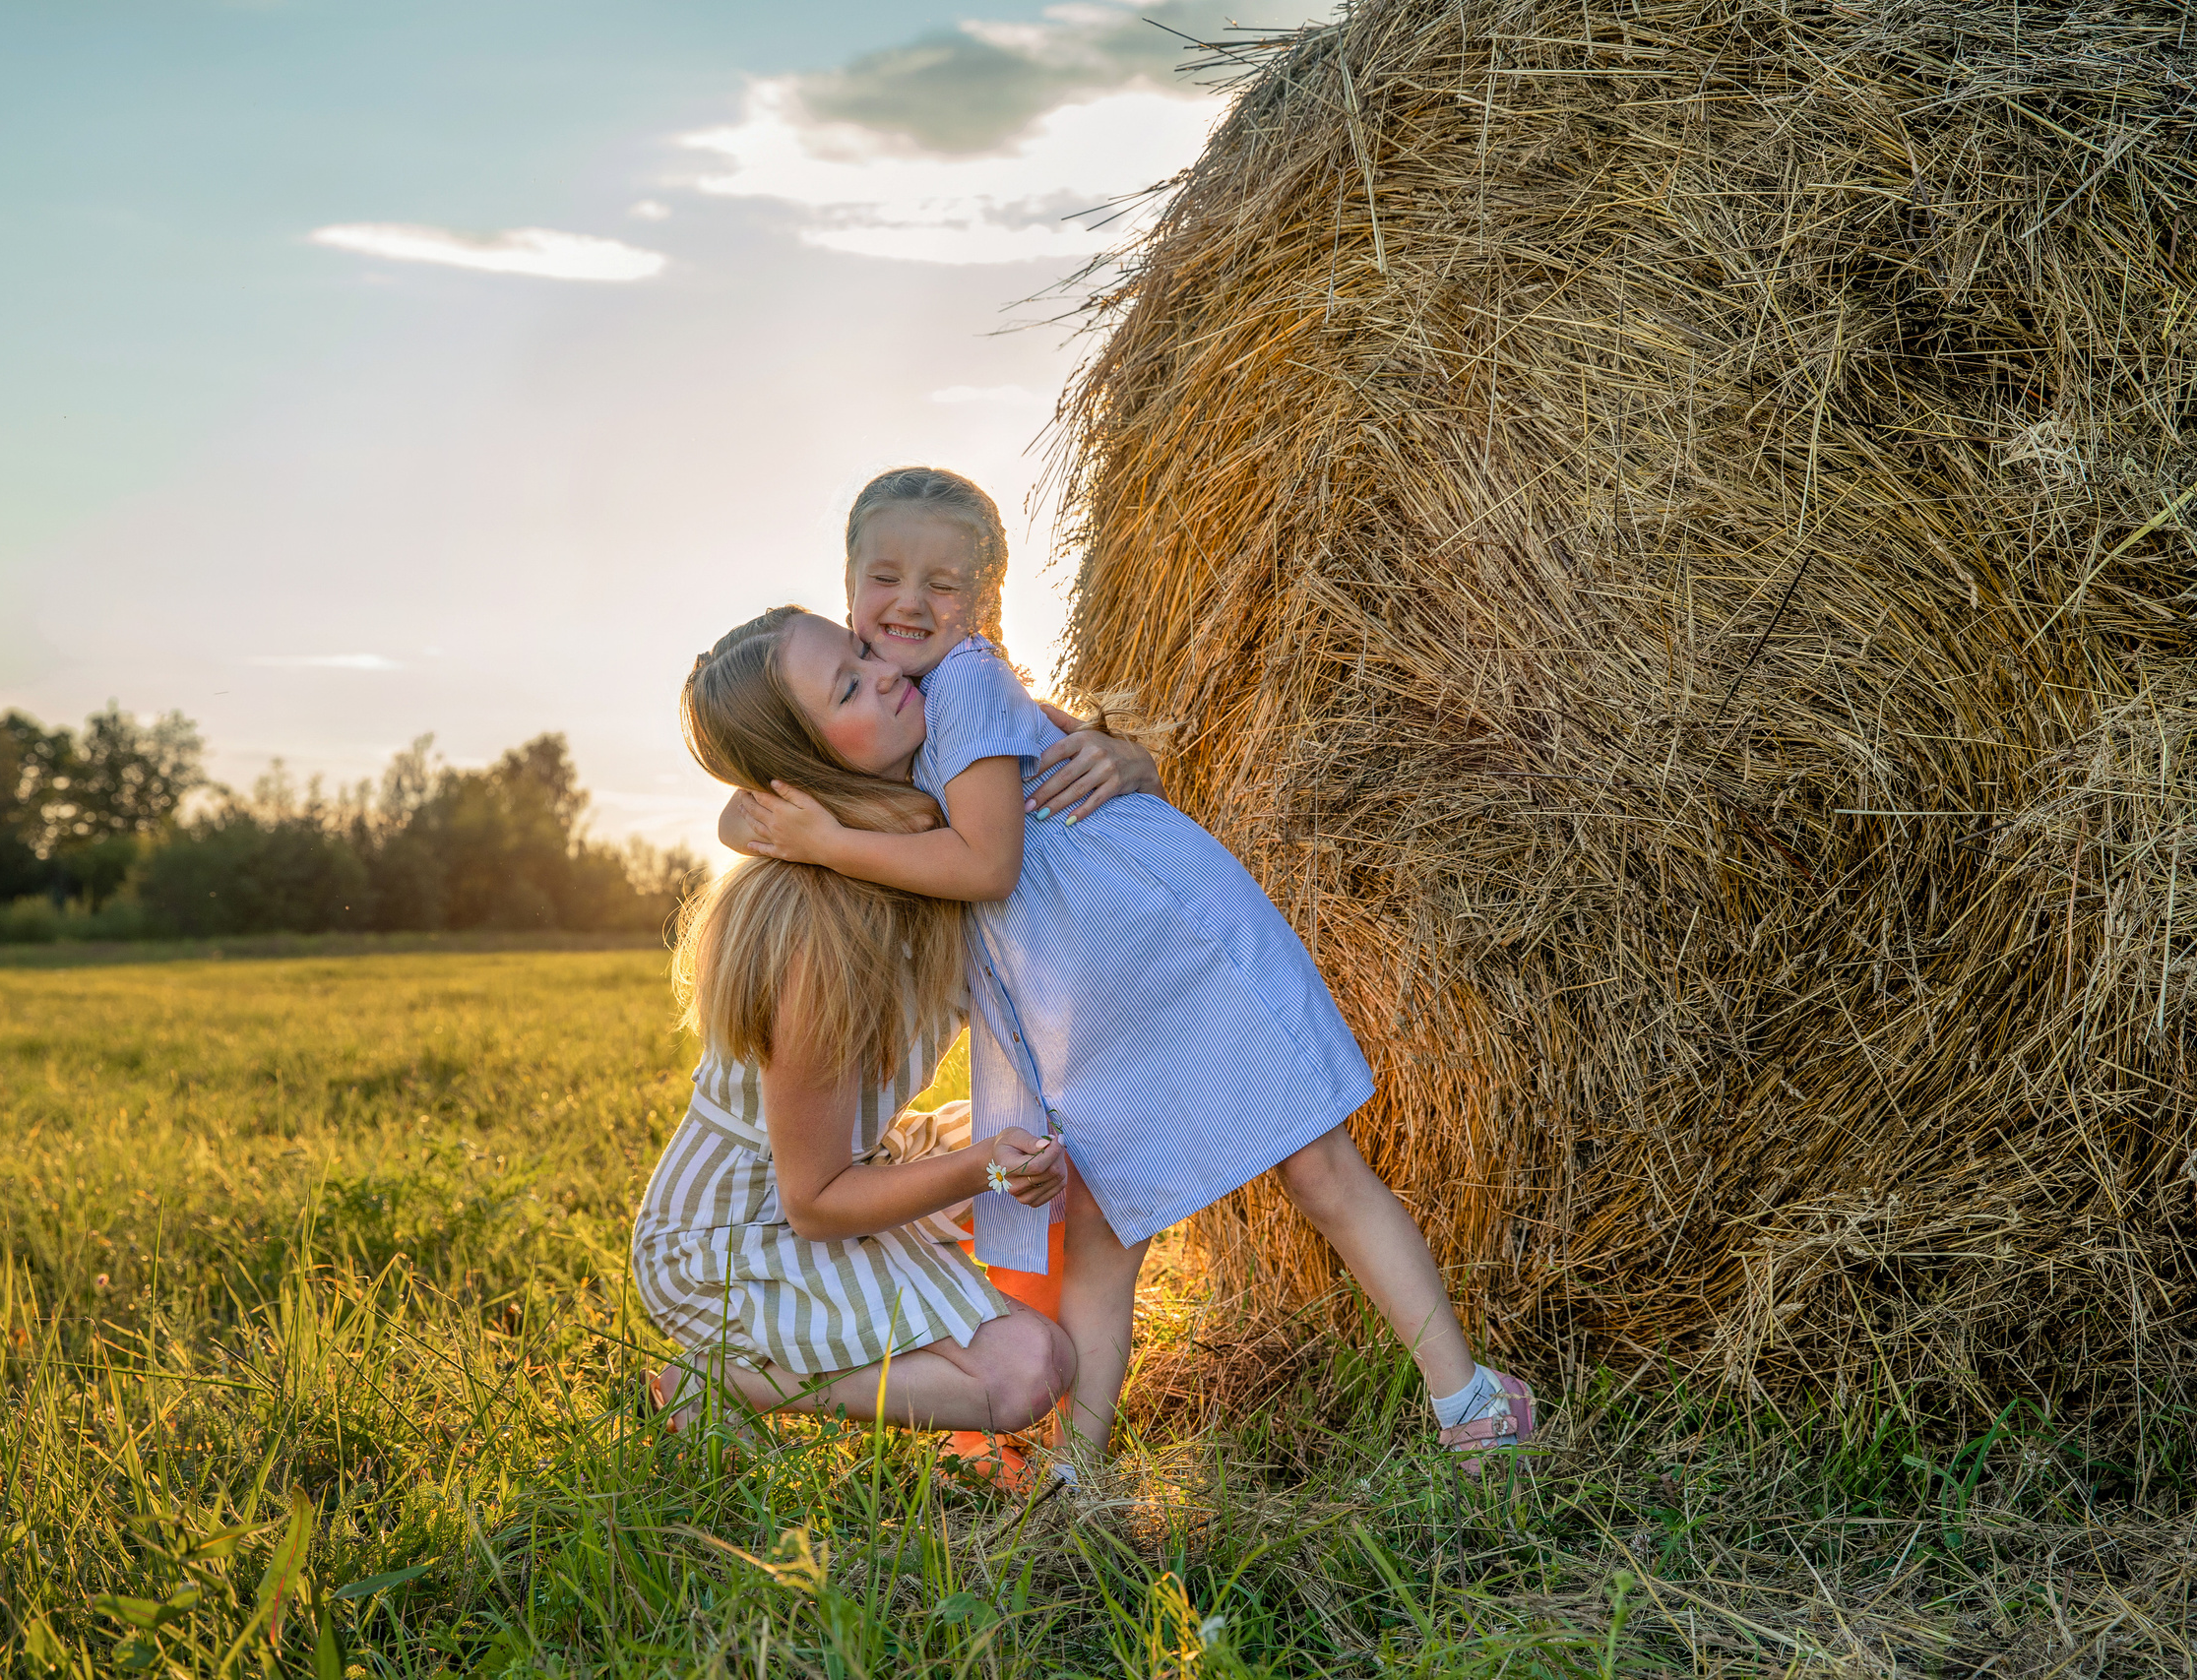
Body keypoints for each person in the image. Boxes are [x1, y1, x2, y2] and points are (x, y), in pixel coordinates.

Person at [728, 467, 1538, 1467]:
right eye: (885, 576)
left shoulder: (968, 683)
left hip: (1169, 953)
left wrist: (827, 844)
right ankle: (1074, 1471)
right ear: (848, 587)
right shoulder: (910, 697)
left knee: (1318, 1166)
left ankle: (1467, 1399)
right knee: (1112, 1222)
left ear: (985, 601)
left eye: (945, 582)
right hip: (1091, 994)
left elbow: (986, 863)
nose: (911, 601)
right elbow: (744, 797)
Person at [630, 607, 1075, 1441]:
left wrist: (1120, 754)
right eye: (847, 685)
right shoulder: (816, 931)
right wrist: (983, 1165)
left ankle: (989, 1385)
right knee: (1027, 1371)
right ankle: (726, 1380)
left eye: (861, 652)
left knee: (1074, 1148)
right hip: (737, 1238)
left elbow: (1040, 729)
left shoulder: (924, 806)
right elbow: (814, 1199)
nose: (883, 672)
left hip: (851, 1169)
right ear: (804, 770)